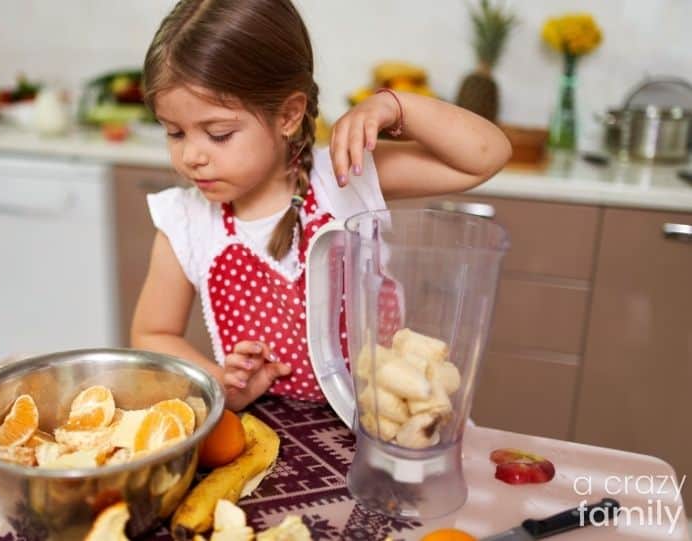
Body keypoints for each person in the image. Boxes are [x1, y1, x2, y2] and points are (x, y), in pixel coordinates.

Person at [131, 0, 511, 411]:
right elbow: (152, 334)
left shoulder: (345, 177)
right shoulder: (186, 221)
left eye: (218, 134)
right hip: (266, 440)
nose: (191, 156)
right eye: (174, 133)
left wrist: (392, 106)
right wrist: (222, 381)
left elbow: (485, 156)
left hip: (380, 427)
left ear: (289, 115)